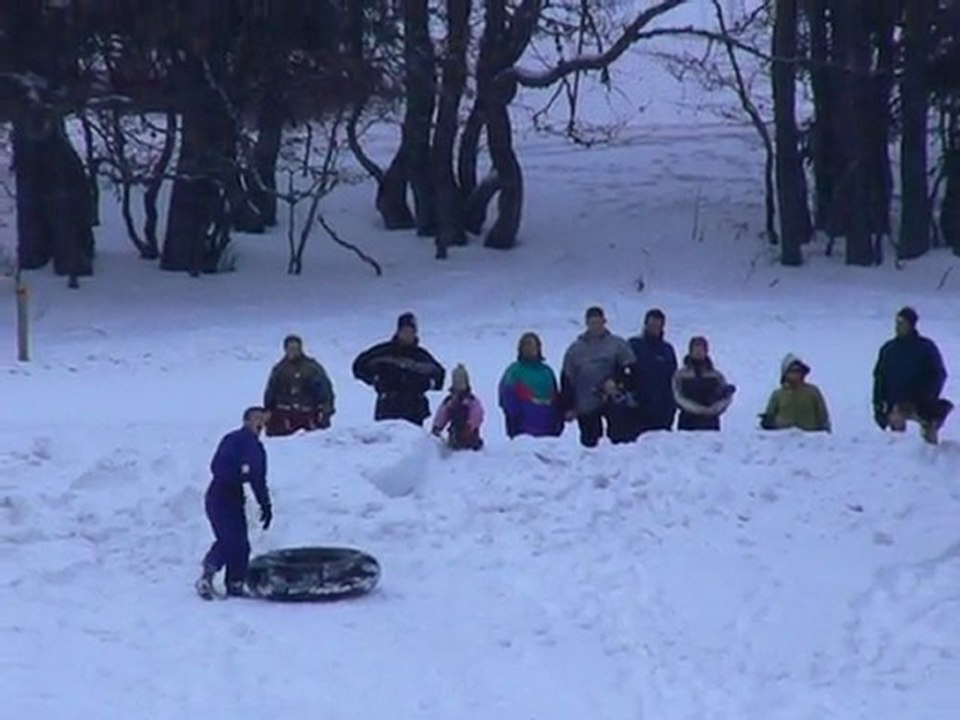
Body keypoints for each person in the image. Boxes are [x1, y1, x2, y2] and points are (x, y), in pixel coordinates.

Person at [196, 407, 273, 599]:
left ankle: (235, 583)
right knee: (230, 540)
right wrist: (239, 473)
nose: (260, 424)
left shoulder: (257, 449)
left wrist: (265, 505)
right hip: (219, 495)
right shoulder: (233, 440)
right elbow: (217, 466)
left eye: (263, 420)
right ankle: (206, 576)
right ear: (246, 421)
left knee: (241, 545)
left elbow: (258, 480)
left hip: (235, 497)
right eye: (256, 419)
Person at [872, 306, 952, 444]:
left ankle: (929, 453)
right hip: (896, 402)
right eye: (897, 323)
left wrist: (927, 395)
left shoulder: (925, 347)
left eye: (902, 323)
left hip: (921, 401)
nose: (898, 327)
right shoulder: (889, 349)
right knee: (897, 427)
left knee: (929, 430)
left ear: (911, 325)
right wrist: (878, 404)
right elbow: (879, 378)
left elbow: (938, 374)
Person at [560, 306, 636, 447]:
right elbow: (567, 378)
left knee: (620, 441)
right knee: (590, 445)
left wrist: (617, 382)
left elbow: (631, 369)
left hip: (614, 399)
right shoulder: (575, 349)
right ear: (587, 324)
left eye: (598, 322)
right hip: (586, 402)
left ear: (604, 322)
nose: (595, 326)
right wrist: (568, 406)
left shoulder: (617, 344)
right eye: (592, 323)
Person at [352, 312, 446, 426]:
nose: (407, 335)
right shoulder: (383, 352)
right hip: (388, 407)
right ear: (398, 331)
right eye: (404, 331)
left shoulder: (421, 357)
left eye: (411, 332)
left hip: (414, 410)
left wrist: (426, 384)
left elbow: (439, 376)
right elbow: (358, 365)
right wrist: (374, 379)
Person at [262, 334, 336, 437]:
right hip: (284, 417)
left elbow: (325, 392)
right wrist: (268, 414)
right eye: (290, 348)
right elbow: (271, 393)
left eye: (295, 348)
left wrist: (325, 411)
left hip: (307, 417)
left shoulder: (312, 368)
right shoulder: (279, 369)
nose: (293, 351)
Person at [498, 332, 564, 439]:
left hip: (548, 427)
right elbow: (506, 397)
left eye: (533, 346)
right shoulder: (514, 371)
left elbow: (556, 397)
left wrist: (558, 420)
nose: (530, 349)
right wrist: (515, 418)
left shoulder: (547, 371)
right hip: (523, 428)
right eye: (527, 345)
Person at [629, 308, 679, 434]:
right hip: (638, 408)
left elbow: (674, 377)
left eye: (658, 325)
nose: (655, 328)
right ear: (645, 324)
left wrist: (672, 405)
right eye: (652, 324)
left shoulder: (667, 349)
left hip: (663, 408)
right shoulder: (633, 345)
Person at [672, 336, 736, 431]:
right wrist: (699, 410)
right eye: (695, 349)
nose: (698, 352)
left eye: (701, 349)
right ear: (690, 351)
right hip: (687, 422)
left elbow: (726, 398)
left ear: (706, 351)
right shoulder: (681, 375)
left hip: (711, 423)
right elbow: (678, 396)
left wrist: (714, 409)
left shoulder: (716, 375)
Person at [759, 354, 831, 433]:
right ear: (785, 374)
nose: (795, 374)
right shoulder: (777, 395)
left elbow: (823, 417)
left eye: (798, 371)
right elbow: (770, 418)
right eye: (792, 371)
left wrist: (826, 433)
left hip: (810, 441)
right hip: (783, 441)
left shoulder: (813, 392)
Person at [431, 364, 485, 451]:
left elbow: (477, 414)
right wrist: (437, 427)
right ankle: (456, 443)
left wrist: (470, 426)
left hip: (470, 433)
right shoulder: (450, 401)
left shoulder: (471, 401)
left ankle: (473, 444)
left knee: (471, 439)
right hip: (455, 432)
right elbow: (442, 414)